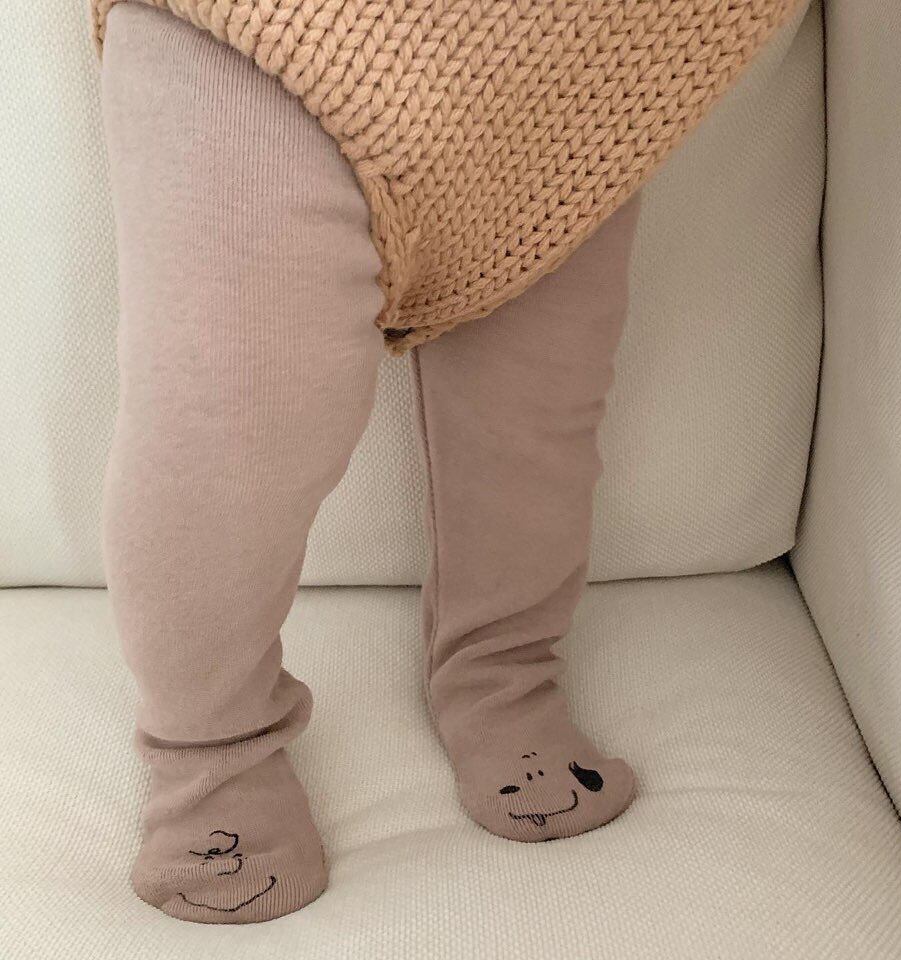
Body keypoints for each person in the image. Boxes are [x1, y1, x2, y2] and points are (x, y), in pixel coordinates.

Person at [93, 0, 801, 923]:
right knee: (230, 415)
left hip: (588, 56)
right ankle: (210, 758)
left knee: (537, 411)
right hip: (250, 26)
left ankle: (503, 676)